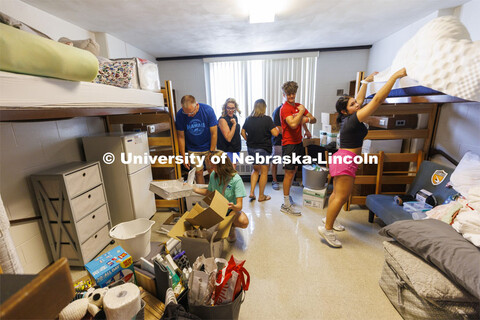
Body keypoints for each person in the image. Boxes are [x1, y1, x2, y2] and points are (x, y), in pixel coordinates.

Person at [318, 68, 407, 248]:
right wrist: (394, 77)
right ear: (345, 111)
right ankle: (327, 229)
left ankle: (331, 221)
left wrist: (365, 82)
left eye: (354, 103)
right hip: (345, 160)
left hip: (343, 158)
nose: (357, 104)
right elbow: (378, 100)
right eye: (352, 104)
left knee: (337, 194)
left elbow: (359, 100)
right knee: (341, 197)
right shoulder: (353, 119)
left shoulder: (349, 117)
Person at [192, 150, 249, 242]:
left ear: (222, 165)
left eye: (214, 166)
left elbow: (239, 206)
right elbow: (209, 192)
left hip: (231, 210)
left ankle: (231, 226)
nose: (212, 168)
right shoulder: (213, 175)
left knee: (244, 222)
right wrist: (193, 188)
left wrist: (233, 206)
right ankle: (224, 225)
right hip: (217, 209)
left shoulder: (236, 179)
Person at [280, 81, 317, 215]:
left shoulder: (298, 107)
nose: (291, 96)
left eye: (293, 93)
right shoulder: (285, 108)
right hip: (289, 145)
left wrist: (304, 123)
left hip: (298, 143)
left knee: (294, 171)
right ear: (284, 94)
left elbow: (314, 119)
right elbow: (293, 124)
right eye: (288, 94)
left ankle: (287, 197)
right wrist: (302, 112)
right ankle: (285, 204)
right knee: (289, 173)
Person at [241, 99, 279, 202]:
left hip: (251, 149)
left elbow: (242, 132)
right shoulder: (267, 119)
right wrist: (278, 129)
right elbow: (275, 133)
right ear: (264, 108)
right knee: (264, 172)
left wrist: (248, 140)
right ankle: (261, 196)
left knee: (255, 170)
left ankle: (252, 192)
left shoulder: (249, 119)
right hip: (263, 149)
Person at [175, 95, 217, 184]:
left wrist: (211, 152)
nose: (189, 115)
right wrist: (183, 157)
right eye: (187, 113)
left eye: (192, 112)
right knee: (198, 172)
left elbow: (214, 134)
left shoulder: (208, 110)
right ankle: (201, 196)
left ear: (196, 105)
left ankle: (214, 194)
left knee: (212, 171)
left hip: (209, 146)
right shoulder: (180, 115)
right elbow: (181, 137)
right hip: (193, 149)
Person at [217, 98, 242, 169]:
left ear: (235, 108)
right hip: (227, 150)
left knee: (233, 172)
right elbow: (228, 138)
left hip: (234, 149)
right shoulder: (222, 120)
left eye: (232, 108)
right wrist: (234, 125)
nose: (230, 110)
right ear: (225, 108)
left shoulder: (234, 117)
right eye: (228, 108)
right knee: (229, 174)